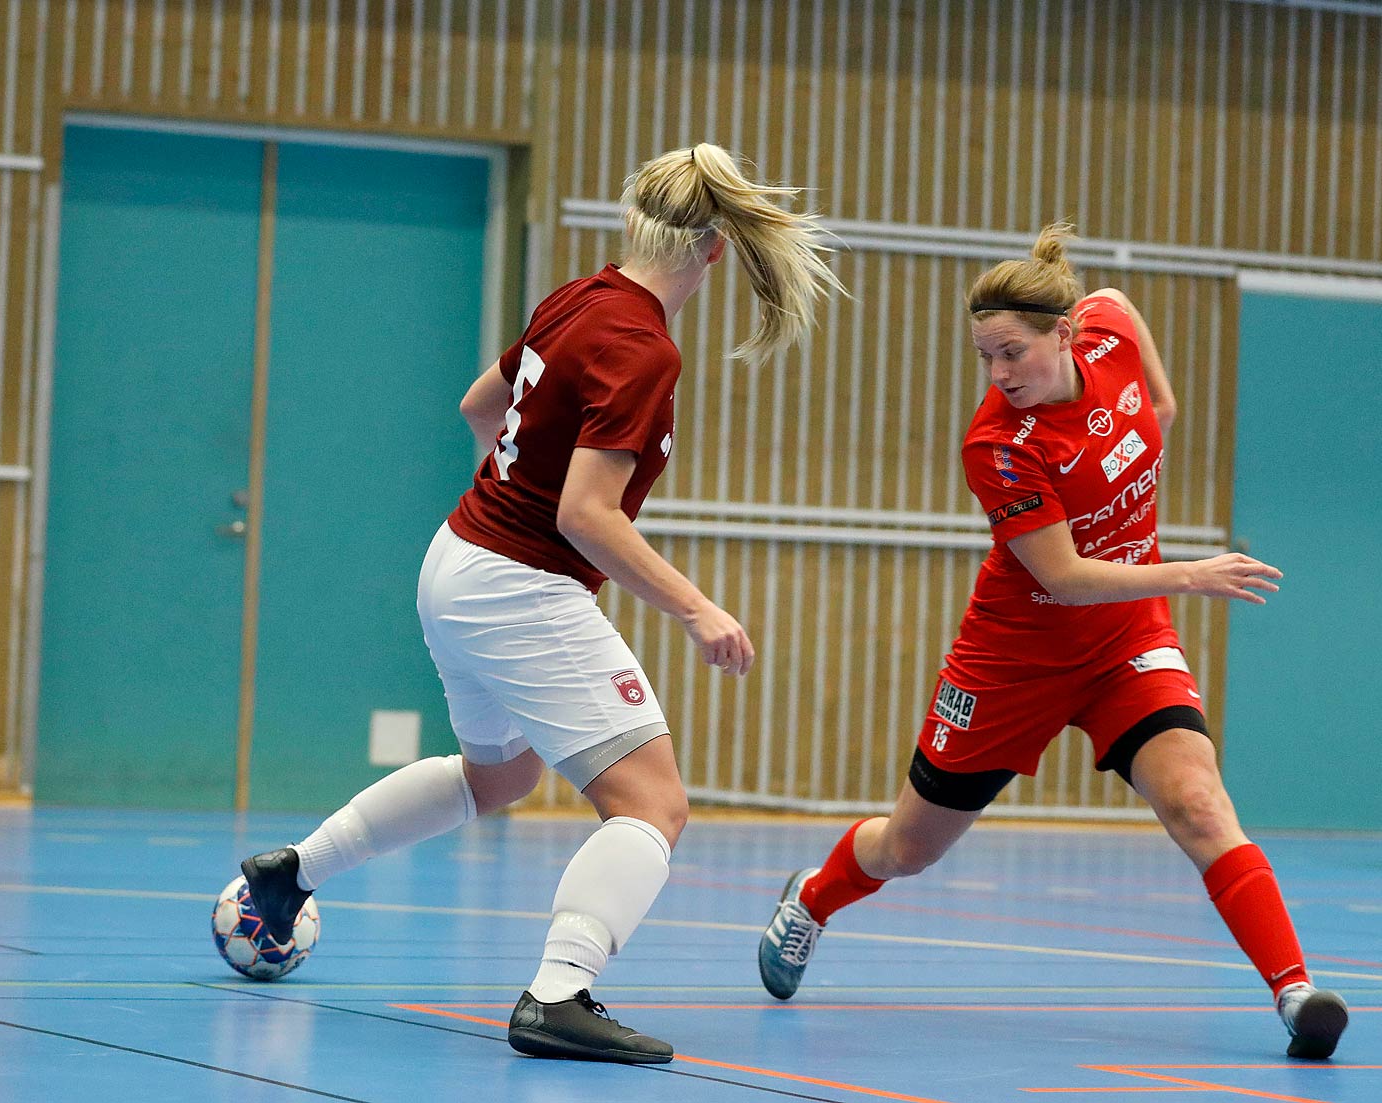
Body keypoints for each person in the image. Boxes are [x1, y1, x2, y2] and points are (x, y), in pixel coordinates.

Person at [235, 143, 838, 1064]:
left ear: (633, 222)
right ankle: (559, 993)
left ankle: (290, 874)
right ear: (716, 252)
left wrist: (510, 503)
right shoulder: (643, 349)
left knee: (500, 778)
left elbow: (481, 406)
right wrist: (696, 609)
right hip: (517, 583)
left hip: (458, 557)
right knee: (653, 802)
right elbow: (587, 515)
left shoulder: (580, 297)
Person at [755, 223, 1347, 1061]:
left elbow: (1158, 402)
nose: (998, 375)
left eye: (1012, 353)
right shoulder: (997, 445)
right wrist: (1185, 572)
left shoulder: (1107, 323)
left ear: (1066, 334)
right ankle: (812, 898)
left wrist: (1147, 480)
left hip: (1124, 643)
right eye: (984, 357)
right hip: (1014, 661)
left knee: (1199, 802)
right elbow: (1064, 577)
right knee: (908, 846)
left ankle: (1295, 992)